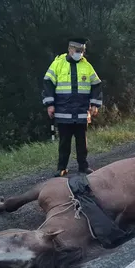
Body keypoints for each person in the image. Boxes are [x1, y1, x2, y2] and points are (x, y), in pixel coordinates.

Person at [42, 37, 103, 177]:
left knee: (82, 142)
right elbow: (48, 84)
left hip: (81, 112)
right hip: (64, 112)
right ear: (70, 49)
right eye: (77, 50)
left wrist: (94, 104)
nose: (80, 53)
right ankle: (61, 167)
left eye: (82, 51)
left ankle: (83, 167)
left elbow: (96, 85)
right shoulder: (58, 64)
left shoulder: (86, 66)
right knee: (64, 142)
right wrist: (50, 104)